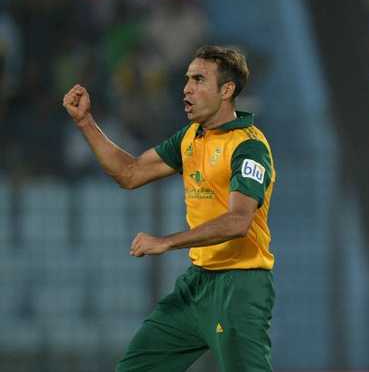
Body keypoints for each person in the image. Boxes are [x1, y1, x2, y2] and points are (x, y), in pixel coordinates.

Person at [62, 45, 276, 372]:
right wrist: (86, 123)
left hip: (240, 286)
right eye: (188, 79)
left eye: (200, 80)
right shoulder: (190, 138)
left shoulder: (248, 146)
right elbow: (130, 173)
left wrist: (167, 241)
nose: (187, 88)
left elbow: (238, 221)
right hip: (196, 285)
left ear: (227, 90)